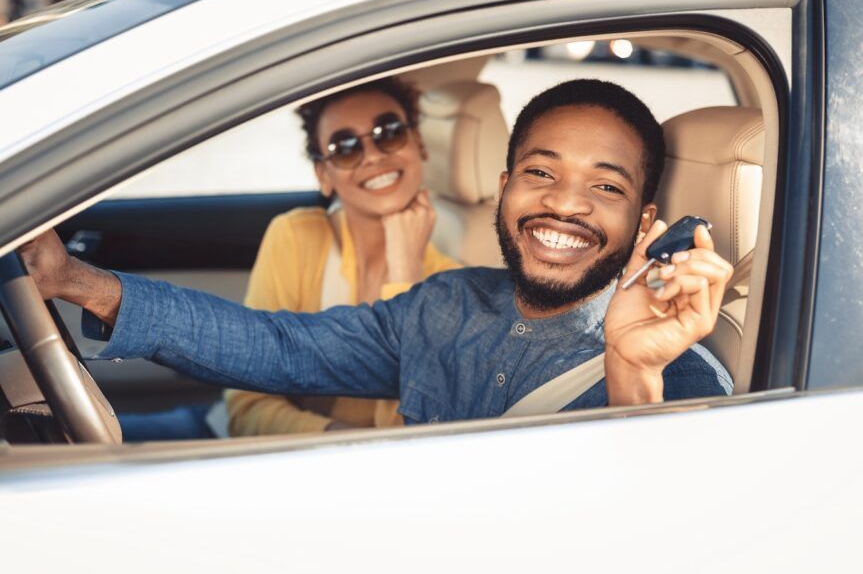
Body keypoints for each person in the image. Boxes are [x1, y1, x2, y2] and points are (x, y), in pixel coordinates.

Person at [20, 79, 734, 424]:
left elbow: (662, 533)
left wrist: (632, 374)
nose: (565, 204)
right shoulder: (444, 304)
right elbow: (274, 345)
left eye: (604, 187)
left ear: (644, 223)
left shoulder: (679, 370)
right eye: (541, 173)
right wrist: (78, 280)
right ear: (504, 188)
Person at [227, 77, 458, 435]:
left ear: (419, 144)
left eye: (390, 132)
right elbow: (247, 407)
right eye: (346, 147)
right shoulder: (295, 237)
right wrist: (336, 442)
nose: (374, 156)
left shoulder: (453, 285)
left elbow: (413, 433)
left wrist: (405, 275)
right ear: (323, 175)